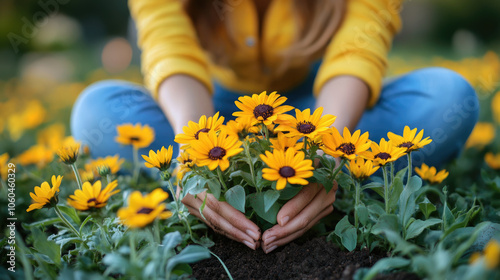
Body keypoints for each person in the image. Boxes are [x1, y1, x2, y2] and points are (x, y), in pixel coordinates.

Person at [71, 0, 478, 253]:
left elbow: (358, 51)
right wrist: (194, 156)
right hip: (204, 108)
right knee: (95, 110)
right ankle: (348, 190)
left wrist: (326, 154)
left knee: (449, 98)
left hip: (325, 104)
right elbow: (168, 49)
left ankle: (322, 189)